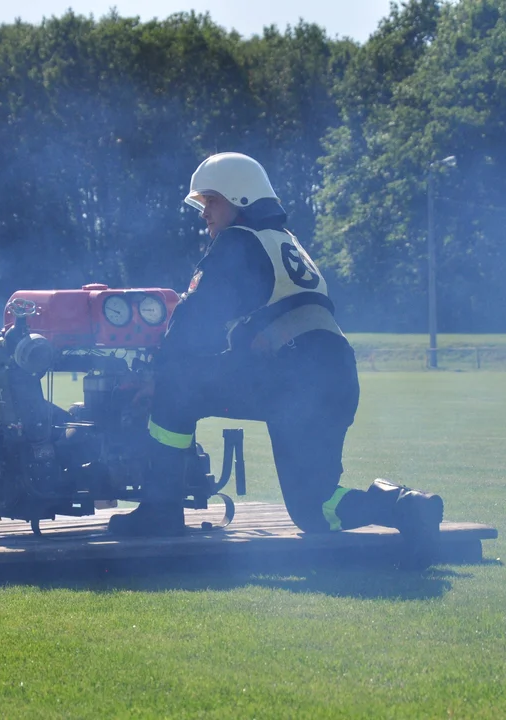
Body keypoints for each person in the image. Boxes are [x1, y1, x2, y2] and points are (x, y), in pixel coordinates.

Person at [108, 152, 444, 565]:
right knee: (314, 507)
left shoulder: (238, 242)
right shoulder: (284, 241)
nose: (205, 214)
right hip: (333, 375)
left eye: (212, 201)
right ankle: (405, 506)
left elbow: (193, 321)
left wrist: (156, 378)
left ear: (240, 198)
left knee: (177, 385)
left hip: (290, 375)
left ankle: (160, 512)